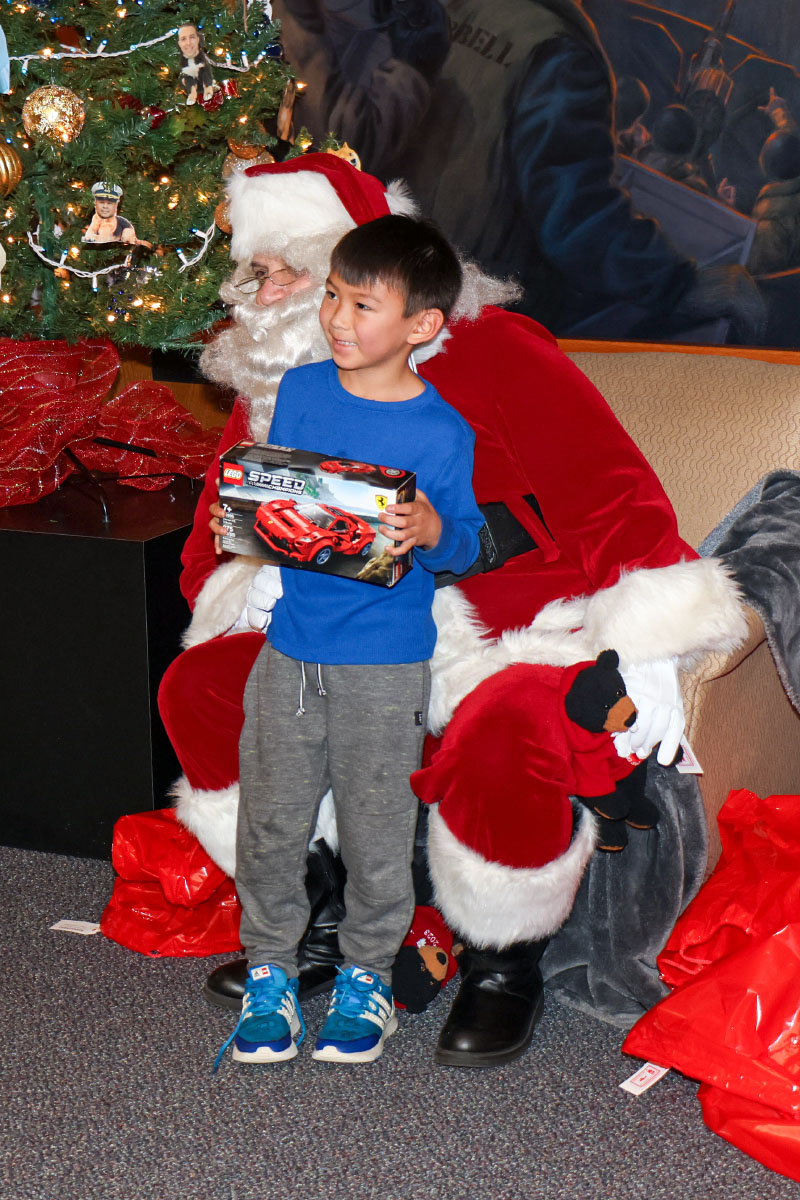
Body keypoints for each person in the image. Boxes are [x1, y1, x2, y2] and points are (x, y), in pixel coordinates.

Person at [152, 153, 746, 1068]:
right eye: (254, 275)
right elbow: (215, 535)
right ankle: (318, 919)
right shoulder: (282, 386)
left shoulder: (496, 353)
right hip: (331, 630)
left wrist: (651, 637)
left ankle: (503, 961)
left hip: (501, 631)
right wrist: (247, 578)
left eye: (287, 274)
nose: (264, 299)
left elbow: (609, 491)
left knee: (503, 732)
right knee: (198, 688)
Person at [214, 213, 484, 1067]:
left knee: (376, 828)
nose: (336, 317)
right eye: (333, 295)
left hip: (384, 665)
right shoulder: (301, 390)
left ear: (422, 325)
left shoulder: (443, 433)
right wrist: (248, 516)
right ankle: (271, 968)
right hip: (291, 651)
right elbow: (289, 499)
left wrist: (433, 528)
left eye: (363, 305)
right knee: (270, 821)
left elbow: (464, 545)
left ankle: (367, 974)